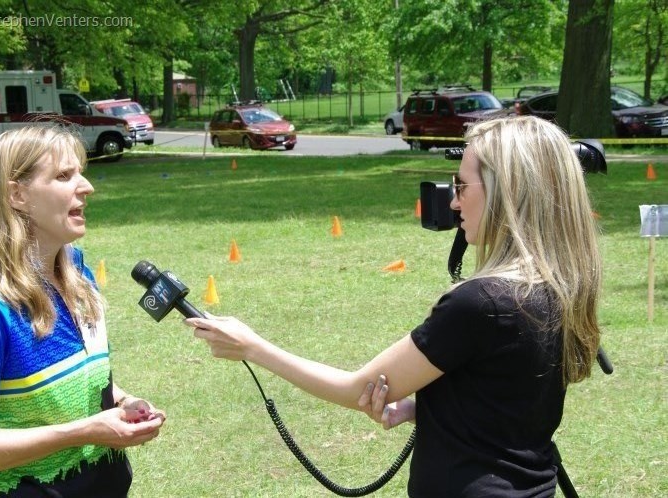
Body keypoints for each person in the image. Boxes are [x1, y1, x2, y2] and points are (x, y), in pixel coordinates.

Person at [185, 115, 602, 497]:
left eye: (461, 186)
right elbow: (509, 396)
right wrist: (430, 408)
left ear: (506, 193)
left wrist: (252, 347)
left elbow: (355, 389)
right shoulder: (557, 287)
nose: (453, 202)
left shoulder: (481, 303)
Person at [0, 125, 165, 498]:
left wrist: (122, 402)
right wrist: (87, 430)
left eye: (80, 172)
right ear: (17, 194)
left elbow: (77, 379)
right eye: (63, 175)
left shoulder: (77, 272)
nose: (86, 186)